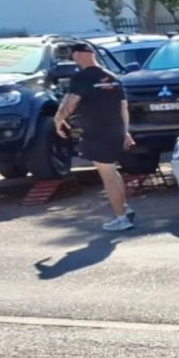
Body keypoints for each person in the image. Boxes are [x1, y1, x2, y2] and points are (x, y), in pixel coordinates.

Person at [52, 43, 137, 232]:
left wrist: (58, 120)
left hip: (97, 133)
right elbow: (123, 107)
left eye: (73, 54)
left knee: (108, 176)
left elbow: (70, 103)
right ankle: (125, 208)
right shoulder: (113, 77)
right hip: (115, 131)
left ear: (80, 55)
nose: (73, 58)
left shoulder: (82, 77)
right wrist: (125, 131)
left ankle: (121, 218)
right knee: (113, 172)